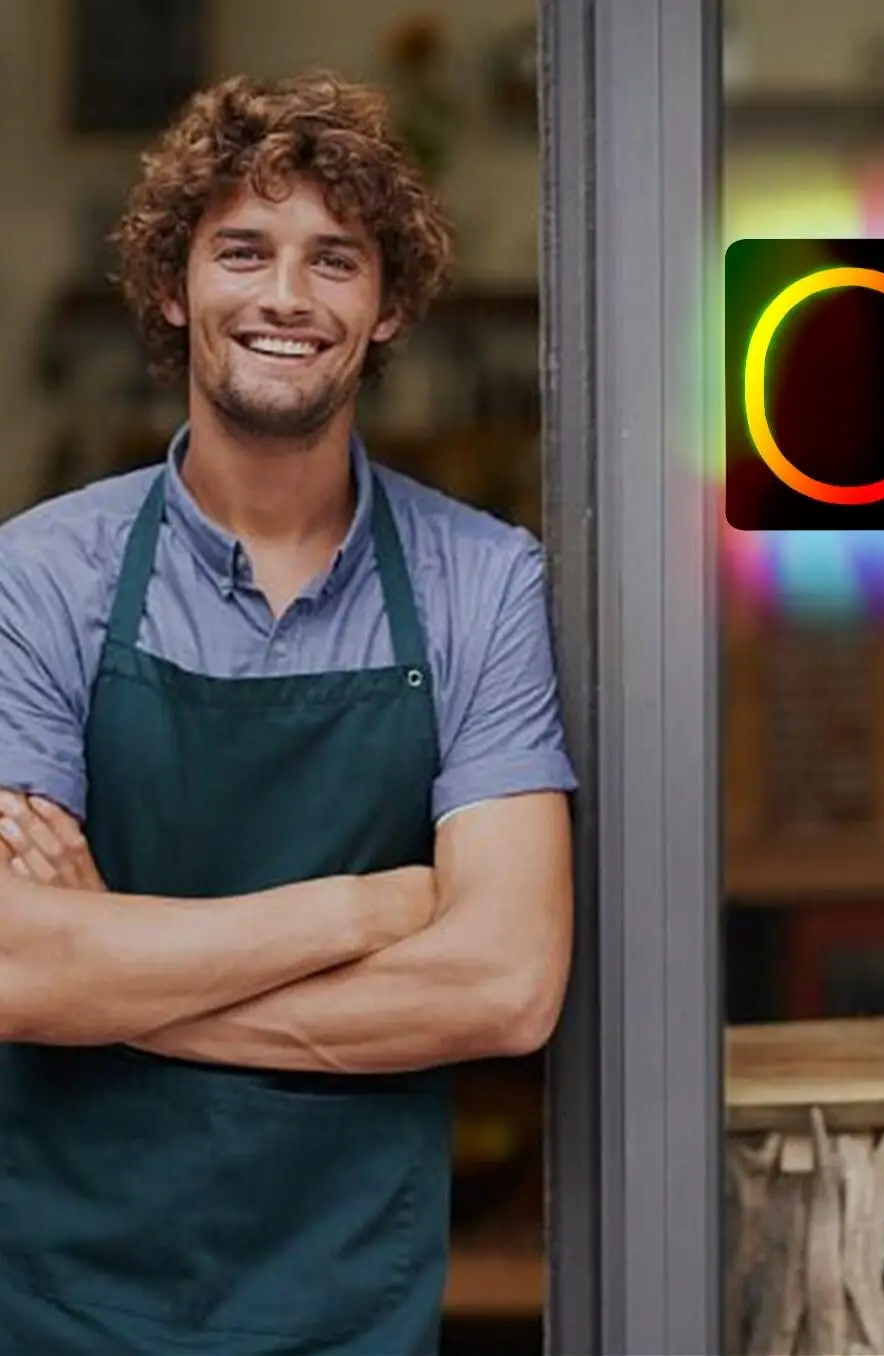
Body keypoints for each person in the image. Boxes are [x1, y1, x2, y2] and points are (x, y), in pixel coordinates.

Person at [0, 70, 576, 1355]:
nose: (285, 297)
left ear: (386, 310)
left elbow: (504, 985)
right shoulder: (40, 577)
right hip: (63, 1296)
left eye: (336, 259)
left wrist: (116, 984)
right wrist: (363, 908)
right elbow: (12, 964)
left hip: (349, 1296)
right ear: (171, 286)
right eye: (242, 251)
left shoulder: (482, 582)